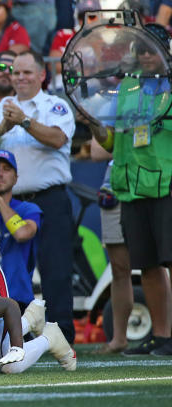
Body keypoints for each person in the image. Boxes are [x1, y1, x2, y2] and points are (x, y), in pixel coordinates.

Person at [0, 50, 76, 343]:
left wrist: (23, 121)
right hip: (11, 202)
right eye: (15, 72)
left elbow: (58, 138)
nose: (19, 77)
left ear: (42, 74)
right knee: (10, 270)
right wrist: (1, 128)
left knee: (55, 270)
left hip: (49, 198)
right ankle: (9, 337)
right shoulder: (1, 109)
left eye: (26, 72)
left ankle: (61, 337)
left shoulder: (54, 106)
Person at [86, 34, 172, 355]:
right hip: (131, 188)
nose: (148, 56)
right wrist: (95, 126)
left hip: (166, 185)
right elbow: (111, 144)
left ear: (166, 52)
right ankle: (163, 337)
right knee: (148, 266)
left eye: (154, 50)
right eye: (142, 50)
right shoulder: (125, 88)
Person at [0, 150, 41, 310]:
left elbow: (22, 234)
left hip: (15, 299)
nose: (0, 174)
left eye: (6, 169)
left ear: (16, 178)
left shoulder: (27, 209)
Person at [89, 140, 132, 354]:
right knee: (119, 269)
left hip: (154, 185)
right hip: (115, 188)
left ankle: (164, 335)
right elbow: (96, 151)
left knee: (158, 264)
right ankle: (119, 338)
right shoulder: (114, 104)